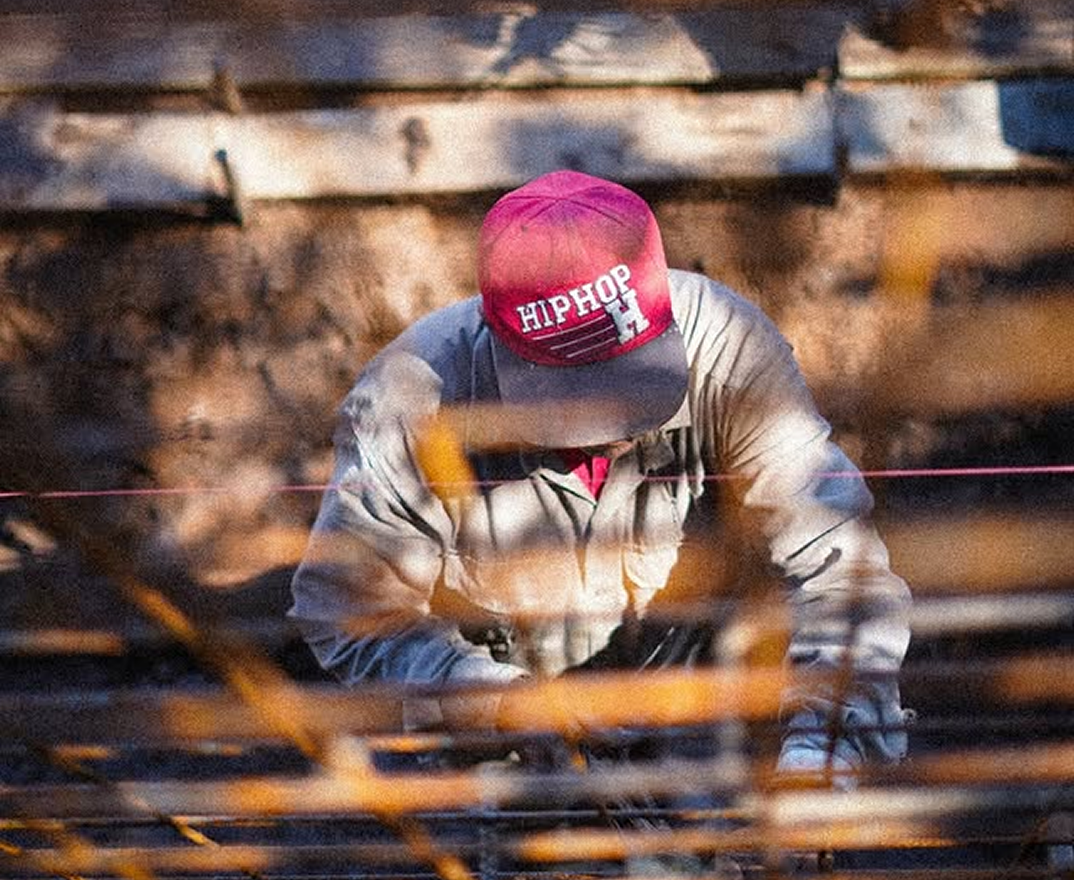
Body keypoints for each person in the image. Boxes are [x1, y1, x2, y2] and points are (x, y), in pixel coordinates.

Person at [289, 170, 912, 785]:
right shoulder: (409, 404)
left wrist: (822, 746)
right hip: (508, 753)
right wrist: (498, 703)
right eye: (575, 397)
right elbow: (351, 614)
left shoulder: (730, 353)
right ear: (503, 347)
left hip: (708, 718)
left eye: (631, 380)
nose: (612, 423)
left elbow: (840, 570)